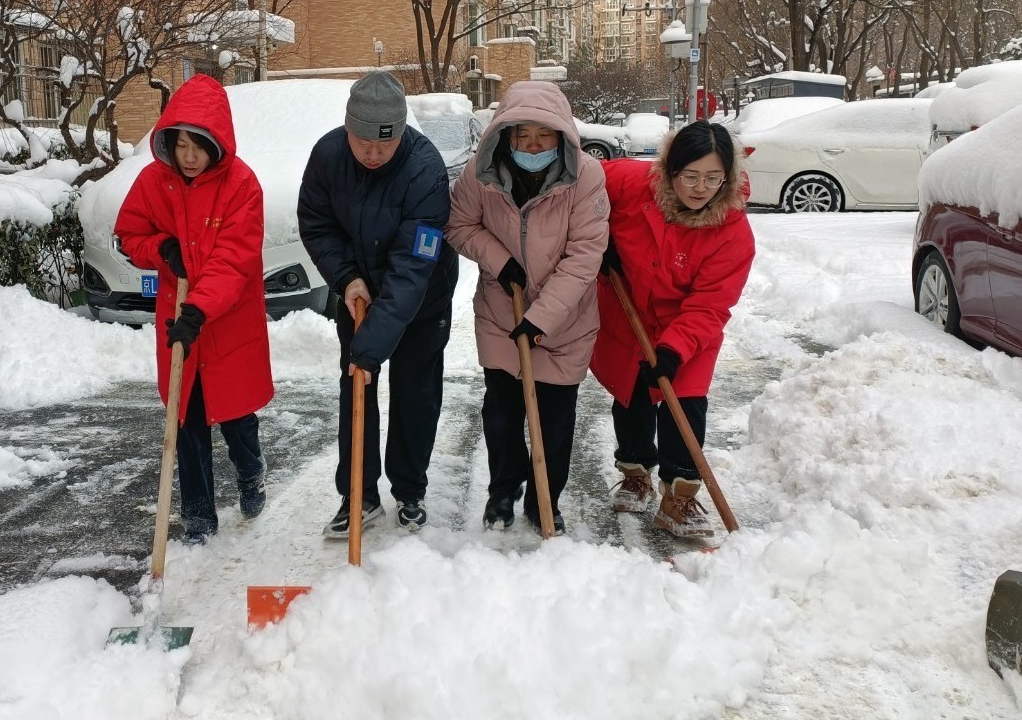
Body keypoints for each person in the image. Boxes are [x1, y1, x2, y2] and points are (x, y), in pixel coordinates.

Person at [298, 71, 458, 537]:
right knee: (357, 390)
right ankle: (358, 495)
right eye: (362, 142)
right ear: (347, 128)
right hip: (359, 296)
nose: (371, 154)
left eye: (383, 146)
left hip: (422, 299)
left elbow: (413, 267)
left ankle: (410, 490)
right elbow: (316, 223)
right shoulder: (328, 156)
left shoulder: (425, 169)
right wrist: (346, 278)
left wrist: (369, 348)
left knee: (416, 393)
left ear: (401, 133)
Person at [115, 74, 273, 546]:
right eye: (179, 144)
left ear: (215, 143)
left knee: (236, 415)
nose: (187, 156)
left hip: (225, 322)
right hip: (179, 318)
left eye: (197, 145)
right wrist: (161, 249)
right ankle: (199, 515)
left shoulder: (242, 185)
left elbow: (233, 261)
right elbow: (129, 234)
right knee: (185, 417)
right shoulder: (153, 182)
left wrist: (199, 310)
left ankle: (251, 474)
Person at [446, 81, 608, 533]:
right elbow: (459, 226)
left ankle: (544, 498)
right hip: (502, 312)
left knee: (555, 420)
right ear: (506, 136)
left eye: (545, 135)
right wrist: (501, 264)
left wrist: (540, 320)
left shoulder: (585, 177)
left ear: (563, 136)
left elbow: (584, 256)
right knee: (501, 414)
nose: (533, 145)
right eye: (523, 135)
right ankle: (502, 490)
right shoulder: (480, 174)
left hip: (566, 322)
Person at [591, 120, 755, 539]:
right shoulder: (632, 183)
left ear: (729, 177)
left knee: (685, 408)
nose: (701, 188)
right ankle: (634, 472)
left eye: (714, 178)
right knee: (631, 402)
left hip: (689, 331)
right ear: (669, 170)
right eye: (691, 176)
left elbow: (710, 304)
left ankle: (678, 495)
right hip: (629, 316)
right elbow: (581, 180)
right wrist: (595, 234)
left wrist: (675, 348)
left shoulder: (732, 231)